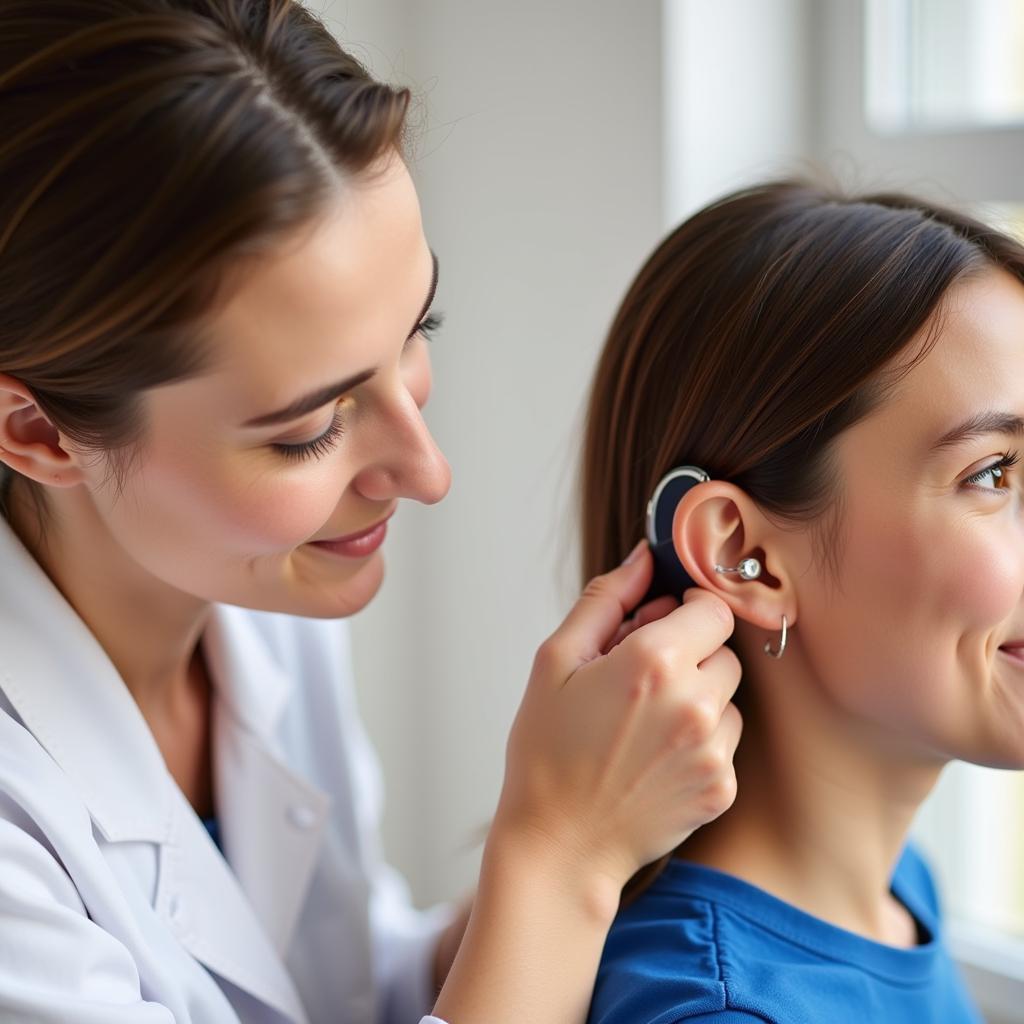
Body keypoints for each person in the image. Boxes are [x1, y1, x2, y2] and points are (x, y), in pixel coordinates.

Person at [0, 2, 746, 1023]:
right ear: (39, 432)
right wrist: (560, 853)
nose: (428, 472)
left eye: (416, 331)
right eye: (308, 428)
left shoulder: (259, 602)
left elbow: (338, 986)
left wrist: (598, 827)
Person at [578, 179, 1024, 1024]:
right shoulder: (715, 1008)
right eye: (992, 473)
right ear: (746, 559)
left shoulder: (898, 892)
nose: (1010, 489)